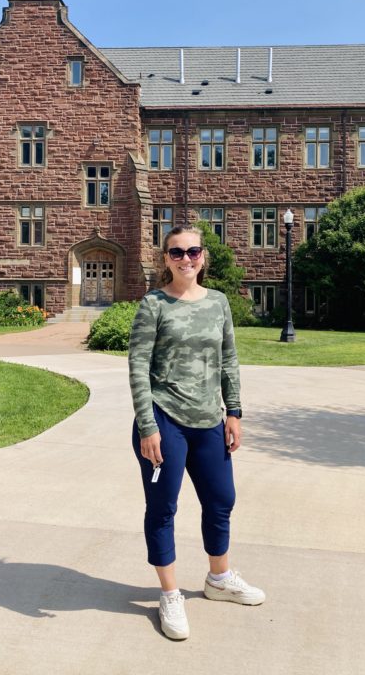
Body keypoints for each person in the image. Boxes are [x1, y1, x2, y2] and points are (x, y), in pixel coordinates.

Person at [129, 224, 265, 640]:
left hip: (209, 419)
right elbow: (137, 367)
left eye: (193, 251)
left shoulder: (218, 303)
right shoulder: (153, 304)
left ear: (203, 256)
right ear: (164, 259)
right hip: (164, 418)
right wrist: (148, 426)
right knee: (164, 507)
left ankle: (218, 578)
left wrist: (235, 412)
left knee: (222, 499)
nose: (186, 259)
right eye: (176, 253)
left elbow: (229, 359)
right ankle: (170, 594)